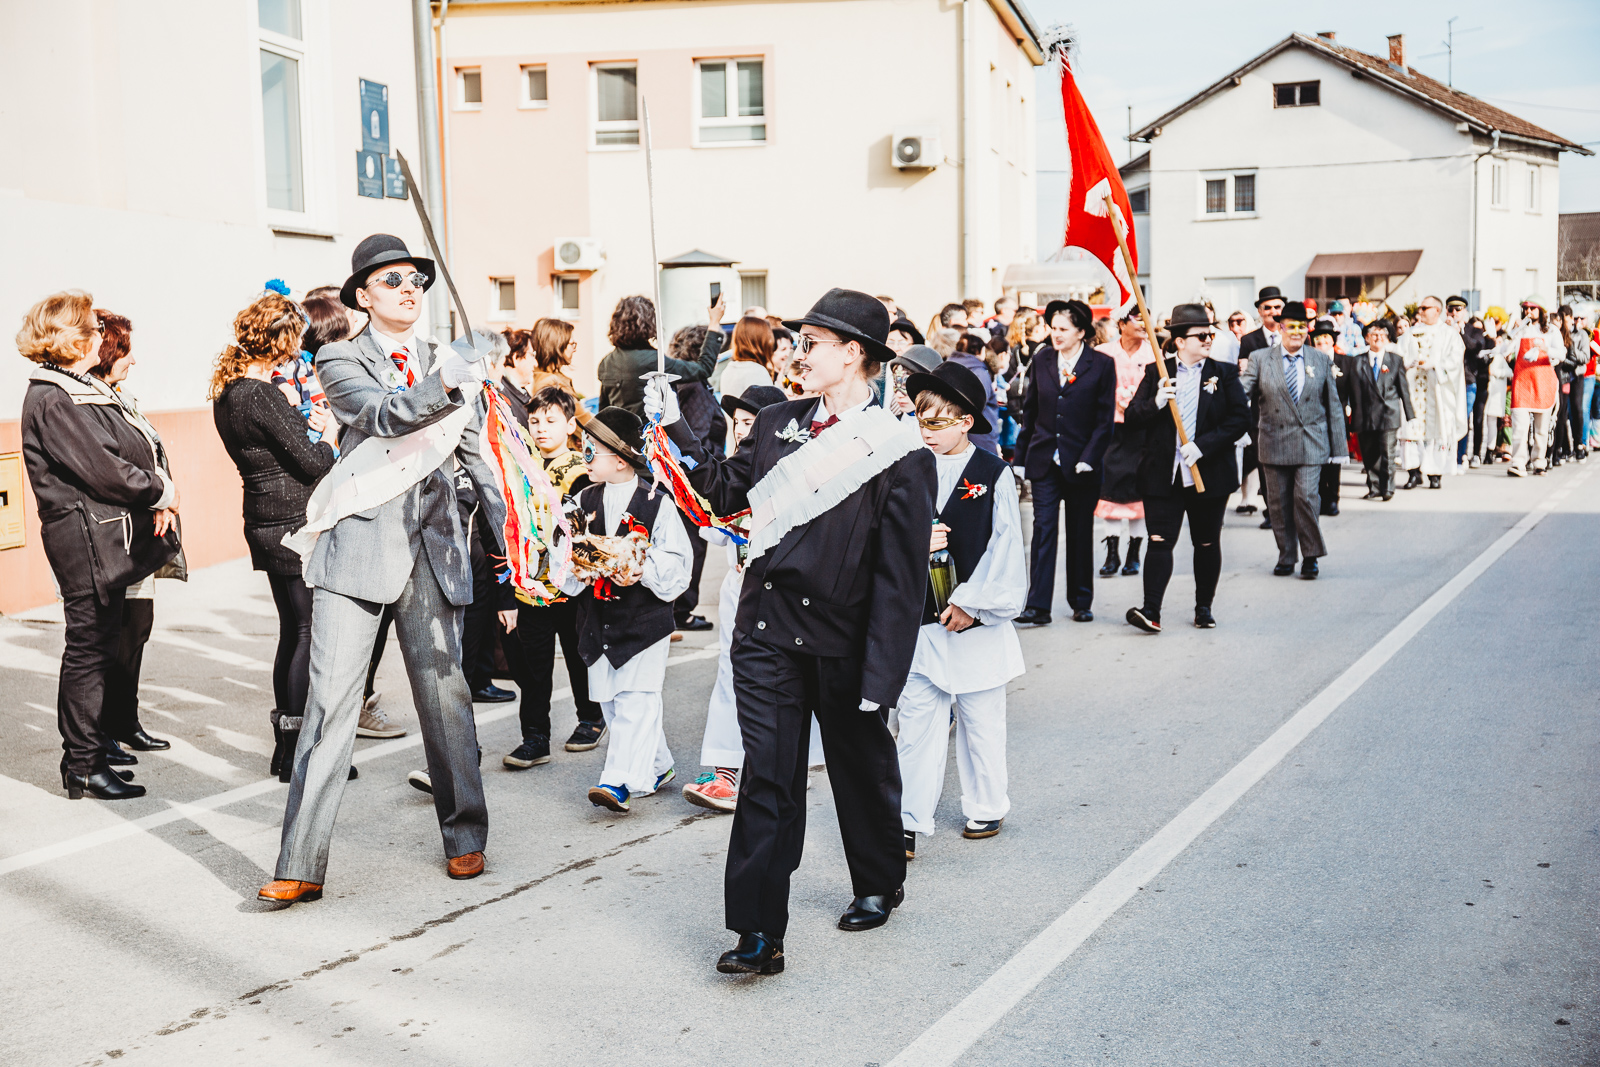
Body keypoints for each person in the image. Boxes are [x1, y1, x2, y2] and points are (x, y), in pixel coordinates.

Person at [646, 288, 934, 976]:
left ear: (853, 354)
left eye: (810, 343)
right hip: (767, 631)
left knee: (858, 765)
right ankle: (757, 930)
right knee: (767, 780)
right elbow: (721, 489)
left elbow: (901, 583)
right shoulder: (776, 421)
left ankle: (877, 876)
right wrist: (679, 421)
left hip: (844, 639)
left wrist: (883, 678)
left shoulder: (898, 449)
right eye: (797, 342)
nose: (796, 354)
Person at [259, 234, 506, 905]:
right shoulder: (340, 356)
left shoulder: (444, 358)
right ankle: (301, 861)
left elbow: (480, 457)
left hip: (434, 547)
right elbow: (380, 416)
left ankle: (465, 834)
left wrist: (512, 552)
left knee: (446, 698)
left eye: (417, 281)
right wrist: (450, 378)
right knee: (331, 703)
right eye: (392, 280)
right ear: (364, 295)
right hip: (358, 546)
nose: (409, 289)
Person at [18, 291, 180, 800]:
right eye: (90, 329)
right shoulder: (52, 397)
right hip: (86, 542)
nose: (99, 338)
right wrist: (160, 490)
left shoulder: (72, 389)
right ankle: (83, 764)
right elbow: (103, 468)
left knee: (98, 645)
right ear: (69, 340)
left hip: (102, 537)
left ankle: (89, 756)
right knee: (88, 649)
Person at [895, 361, 1024, 858]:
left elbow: (1006, 547)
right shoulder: (905, 468)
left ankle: (986, 805)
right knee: (917, 720)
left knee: (981, 720)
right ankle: (907, 818)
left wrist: (973, 603)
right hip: (918, 619)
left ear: (966, 421)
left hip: (974, 623)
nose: (927, 432)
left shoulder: (993, 474)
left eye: (938, 422)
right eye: (921, 421)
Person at [212, 292, 342, 777]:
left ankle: (285, 751)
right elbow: (311, 462)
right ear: (280, 341)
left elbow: (270, 450)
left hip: (263, 519)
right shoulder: (261, 393)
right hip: (293, 521)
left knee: (292, 629)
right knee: (308, 631)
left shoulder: (229, 392)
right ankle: (299, 753)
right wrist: (327, 434)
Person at [681, 383, 821, 813]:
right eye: (738, 424)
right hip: (739, 591)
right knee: (731, 675)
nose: (743, 432)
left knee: (799, 681)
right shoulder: (733, 472)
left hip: (791, 594)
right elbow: (708, 522)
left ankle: (796, 761)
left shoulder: (797, 472)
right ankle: (723, 770)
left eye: (751, 424)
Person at [567, 407, 692, 813]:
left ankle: (616, 781)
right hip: (597, 621)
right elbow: (563, 558)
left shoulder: (657, 502)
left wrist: (640, 565)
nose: (584, 457)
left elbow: (677, 564)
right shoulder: (582, 500)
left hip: (644, 622)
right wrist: (577, 567)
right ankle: (658, 764)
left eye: (591, 451)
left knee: (637, 698)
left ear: (618, 458)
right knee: (612, 701)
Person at [1121, 304, 1249, 632]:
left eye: (1211, 334)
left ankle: (1203, 608)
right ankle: (1151, 611)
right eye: (1201, 335)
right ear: (1179, 341)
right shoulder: (1157, 372)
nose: (1208, 339)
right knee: (1160, 540)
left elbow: (1240, 419)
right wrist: (1156, 404)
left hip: (1208, 472)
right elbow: (1132, 418)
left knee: (1206, 542)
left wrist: (1202, 446)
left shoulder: (1224, 372)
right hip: (1163, 473)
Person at [89, 310, 180, 763]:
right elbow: (113, 470)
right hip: (114, 533)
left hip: (142, 529)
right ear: (106, 351)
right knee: (109, 635)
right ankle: (101, 731)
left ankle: (126, 720)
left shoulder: (120, 398)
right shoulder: (91, 402)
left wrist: (163, 500)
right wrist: (158, 497)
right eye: (125, 350)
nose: (133, 360)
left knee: (137, 628)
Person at [1013, 299, 1117, 625]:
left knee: (1079, 531)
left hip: (1082, 464)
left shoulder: (1101, 364)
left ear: (1081, 331)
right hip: (1045, 459)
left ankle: (1081, 601)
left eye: (1062, 329)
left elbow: (1105, 420)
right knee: (1043, 529)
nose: (1054, 334)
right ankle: (1038, 606)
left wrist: (1089, 458)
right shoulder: (1042, 359)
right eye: (1052, 328)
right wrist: (1020, 455)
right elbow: (1030, 413)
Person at [1241, 301, 1347, 579]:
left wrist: (1339, 448)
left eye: (1302, 326)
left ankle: (1311, 555)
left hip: (1311, 441)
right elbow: (1243, 393)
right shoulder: (1261, 358)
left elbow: (1333, 405)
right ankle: (1286, 555)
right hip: (1274, 440)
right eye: (1291, 326)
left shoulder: (1320, 359)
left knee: (1306, 497)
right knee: (1277, 503)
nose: (1296, 332)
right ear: (1281, 327)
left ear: (1307, 329)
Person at [665, 323, 723, 632]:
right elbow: (695, 439)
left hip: (681, 478)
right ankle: (681, 611)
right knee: (693, 545)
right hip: (693, 480)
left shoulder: (682, 384)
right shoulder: (696, 388)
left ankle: (678, 609)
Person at [1093, 308, 1155, 577]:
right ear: (1121, 323)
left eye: (1147, 319)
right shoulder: (1103, 353)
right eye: (1138, 318)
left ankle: (1134, 554)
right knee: (1111, 492)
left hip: (1142, 430)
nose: (1144, 324)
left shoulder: (1154, 354)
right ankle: (1112, 554)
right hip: (1111, 431)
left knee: (1138, 495)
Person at [597, 295, 719, 417]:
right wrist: (714, 322)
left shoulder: (606, 363)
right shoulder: (654, 360)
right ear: (649, 322)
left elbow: (603, 410)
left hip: (619, 434)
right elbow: (703, 368)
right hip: (650, 434)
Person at [1397, 296, 1468, 489]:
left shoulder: (1448, 334)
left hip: (1438, 390)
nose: (1420, 310)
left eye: (1424, 307)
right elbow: (1398, 354)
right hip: (1414, 389)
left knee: (1437, 431)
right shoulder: (1410, 333)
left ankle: (1435, 474)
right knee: (1412, 430)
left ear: (1436, 310)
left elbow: (1455, 359)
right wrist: (1406, 363)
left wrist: (1436, 365)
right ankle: (1413, 472)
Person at [1345, 319, 1413, 500]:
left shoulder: (1395, 360)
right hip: (1364, 414)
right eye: (1374, 334)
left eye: (1382, 335)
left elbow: (1403, 389)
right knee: (1369, 454)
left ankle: (1388, 488)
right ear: (1366, 338)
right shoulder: (1357, 361)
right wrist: (1348, 407)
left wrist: (1410, 414)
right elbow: (1351, 388)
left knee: (1387, 453)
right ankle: (1374, 487)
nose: (1378, 338)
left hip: (1388, 414)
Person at [1507, 297, 1560, 476]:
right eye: (1525, 308)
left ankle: (1539, 461)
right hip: (1522, 380)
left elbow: (1562, 353)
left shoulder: (1551, 330)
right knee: (1520, 425)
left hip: (1543, 380)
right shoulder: (1521, 329)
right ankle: (1518, 462)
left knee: (1541, 428)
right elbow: (1508, 348)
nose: (1528, 312)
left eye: (1532, 308)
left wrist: (1545, 348)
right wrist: (1511, 333)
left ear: (1541, 310)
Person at [1309, 320, 1352, 515]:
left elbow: (1353, 391)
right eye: (1318, 338)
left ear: (1332, 340)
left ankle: (1333, 499)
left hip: (1337, 418)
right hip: (1313, 419)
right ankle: (1318, 498)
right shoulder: (1307, 361)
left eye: (1326, 337)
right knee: (1316, 461)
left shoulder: (1345, 362)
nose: (1321, 341)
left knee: (1334, 462)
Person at [946, 332, 1001, 454]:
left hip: (952, 433)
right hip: (979, 436)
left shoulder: (947, 366)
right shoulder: (979, 371)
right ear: (981, 351)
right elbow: (978, 403)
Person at [719, 310, 778, 414]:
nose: (770, 341)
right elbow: (769, 414)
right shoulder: (756, 371)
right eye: (768, 336)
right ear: (761, 341)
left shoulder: (730, 369)